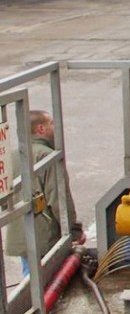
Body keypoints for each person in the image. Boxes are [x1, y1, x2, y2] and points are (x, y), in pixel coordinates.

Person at [5, 110, 84, 277]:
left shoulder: (11, 156)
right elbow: (59, 200)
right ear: (41, 129)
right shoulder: (47, 156)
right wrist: (75, 231)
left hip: (22, 235)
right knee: (47, 285)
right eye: (51, 124)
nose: (55, 127)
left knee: (29, 284)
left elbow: (5, 199)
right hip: (44, 237)